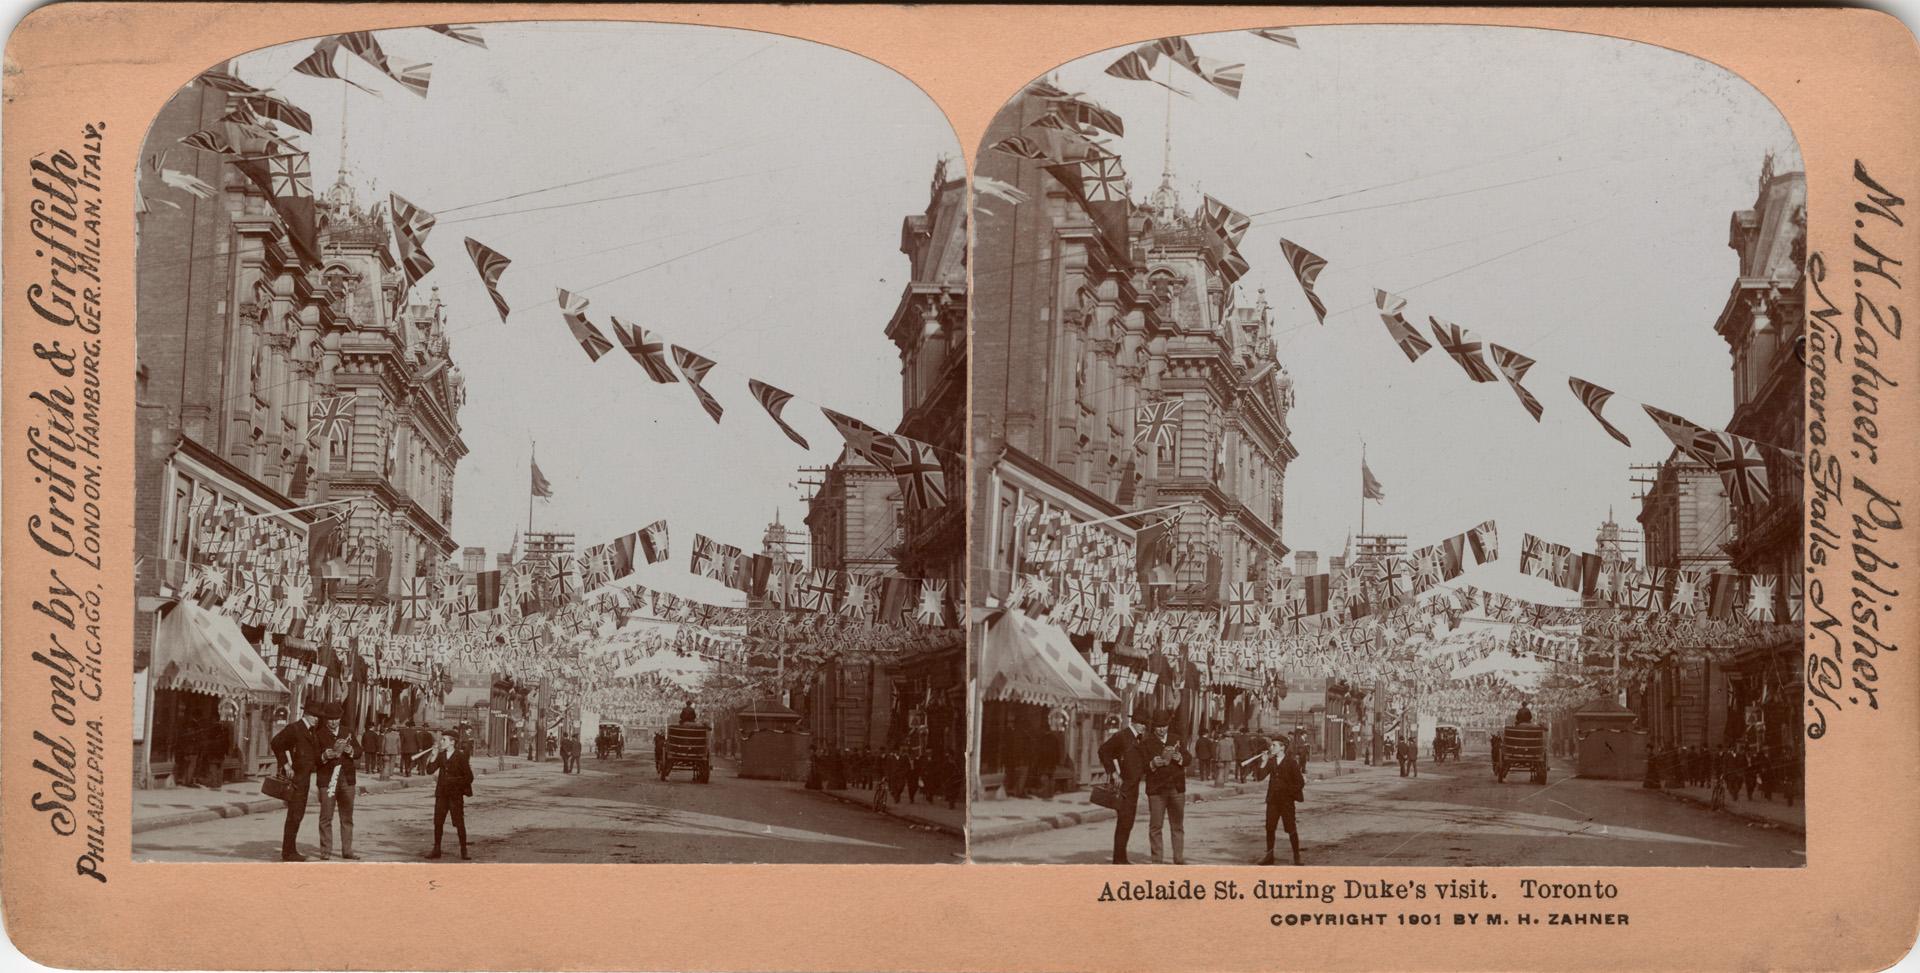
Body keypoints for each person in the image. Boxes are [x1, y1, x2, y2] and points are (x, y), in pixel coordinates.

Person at [270, 705, 323, 862]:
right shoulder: (295, 728)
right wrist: (285, 765)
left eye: (318, 717)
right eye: (314, 716)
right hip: (296, 778)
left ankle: (290, 850)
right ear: (306, 714)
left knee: (297, 815)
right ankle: (288, 852)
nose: (317, 719)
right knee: (294, 815)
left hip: (304, 778)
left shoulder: (311, 730)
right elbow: (276, 743)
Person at [1098, 710, 1151, 865]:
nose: (1143, 726)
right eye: (1141, 723)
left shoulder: (1139, 738)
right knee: (1124, 821)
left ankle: (1121, 857)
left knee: (1127, 822)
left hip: (1133, 786)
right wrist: (1113, 772)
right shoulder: (1122, 736)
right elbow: (1103, 750)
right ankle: (1118, 859)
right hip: (1124, 786)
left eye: (1144, 724)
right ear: (1133, 722)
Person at [1143, 711, 1191, 865]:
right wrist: (1152, 764)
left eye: (1164, 726)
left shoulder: (1176, 739)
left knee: (1177, 825)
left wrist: (1181, 759)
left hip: (1176, 788)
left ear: (1168, 726)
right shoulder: (1146, 742)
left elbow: (1189, 758)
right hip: (1157, 791)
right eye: (1158, 727)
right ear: (1154, 727)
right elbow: (1139, 765)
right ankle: (1157, 861)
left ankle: (1178, 859)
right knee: (1156, 826)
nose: (1161, 729)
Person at [313, 702, 359, 860]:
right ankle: (326, 852)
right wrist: (325, 755)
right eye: (330, 719)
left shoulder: (348, 732)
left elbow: (359, 751)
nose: (333, 722)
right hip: (327, 780)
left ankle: (347, 850)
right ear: (325, 719)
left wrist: (350, 750)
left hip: (347, 779)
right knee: (326, 817)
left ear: (340, 718)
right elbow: (313, 759)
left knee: (347, 817)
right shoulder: (318, 734)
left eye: (336, 718)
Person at [1253, 737, 1306, 865]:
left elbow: (1300, 783)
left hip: (1286, 801)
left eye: (1274, 745)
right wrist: (1263, 762)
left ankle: (1296, 856)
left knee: (1290, 827)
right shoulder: (1271, 762)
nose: (1271, 748)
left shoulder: (1291, 763)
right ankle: (1269, 856)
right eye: (1271, 745)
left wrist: (1288, 793)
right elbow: (1259, 777)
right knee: (1270, 828)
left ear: (1282, 747)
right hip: (1272, 801)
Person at [425, 729, 473, 859]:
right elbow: (429, 770)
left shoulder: (461, 757)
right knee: (438, 822)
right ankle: (436, 849)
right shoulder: (441, 755)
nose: (441, 742)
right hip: (442, 794)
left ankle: (463, 850)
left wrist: (455, 783)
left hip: (455, 796)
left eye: (444, 739)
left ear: (452, 742)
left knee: (459, 823)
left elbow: (469, 777)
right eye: (441, 739)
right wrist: (433, 755)